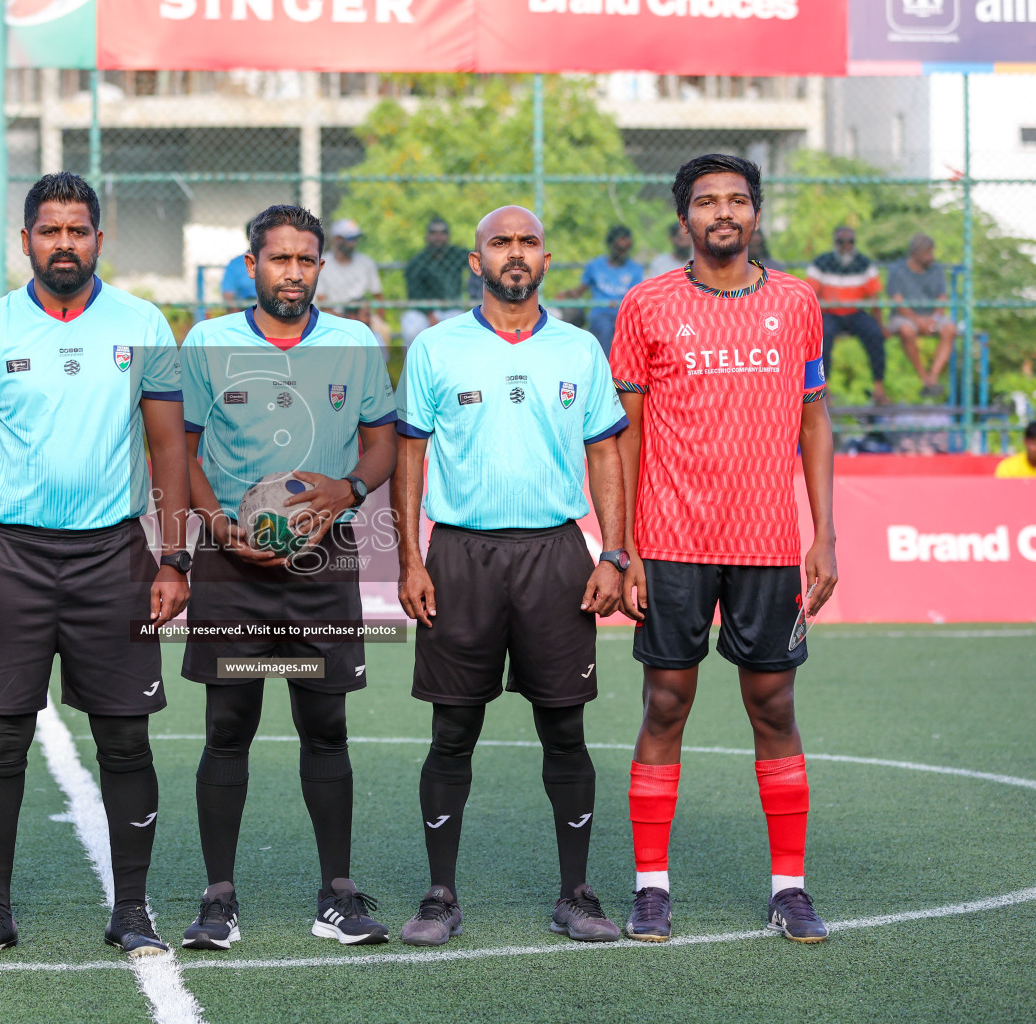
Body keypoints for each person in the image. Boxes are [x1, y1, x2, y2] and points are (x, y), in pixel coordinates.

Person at [0, 172, 191, 960]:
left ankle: (133, 909)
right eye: (49, 231)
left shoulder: (142, 321)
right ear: (25, 241)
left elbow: (167, 448)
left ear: (97, 240)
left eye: (77, 230)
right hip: (12, 558)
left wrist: (174, 556)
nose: (63, 244)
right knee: (0, 741)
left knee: (125, 740)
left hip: (114, 556)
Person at [611, 153, 838, 945]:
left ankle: (789, 887)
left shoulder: (798, 303)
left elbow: (815, 418)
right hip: (672, 539)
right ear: (685, 220)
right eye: (707, 202)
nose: (724, 213)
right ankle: (649, 888)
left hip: (770, 542)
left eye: (738, 200)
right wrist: (627, 544)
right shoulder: (645, 306)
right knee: (666, 701)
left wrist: (824, 533)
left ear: (757, 214)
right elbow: (626, 431)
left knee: (773, 706)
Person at [393, 204, 630, 948]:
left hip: (557, 555)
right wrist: (409, 557)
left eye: (528, 242)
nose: (515, 254)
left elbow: (606, 454)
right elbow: (408, 456)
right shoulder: (435, 348)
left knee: (564, 728)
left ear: (546, 260)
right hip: (459, 555)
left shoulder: (580, 350)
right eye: (501, 243)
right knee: (452, 729)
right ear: (476, 260)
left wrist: (614, 554)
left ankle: (577, 893)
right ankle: (439, 895)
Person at [178, 205, 398, 952]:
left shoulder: (355, 343)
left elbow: (381, 447)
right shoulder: (208, 343)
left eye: (307, 261)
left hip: (321, 564)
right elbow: (181, 450)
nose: (296, 274)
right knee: (229, 724)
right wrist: (217, 526)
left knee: (324, 724)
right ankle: (218, 898)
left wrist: (349, 492)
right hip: (231, 566)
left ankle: (337, 894)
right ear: (252, 265)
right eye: (281, 260)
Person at [807, 225, 887, 405]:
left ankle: (879, 388)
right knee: (822, 336)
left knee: (875, 334)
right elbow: (810, 295)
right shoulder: (821, 263)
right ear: (834, 243)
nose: (846, 246)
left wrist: (881, 325)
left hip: (855, 312)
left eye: (850, 242)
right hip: (830, 313)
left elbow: (875, 298)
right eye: (841, 242)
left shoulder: (864, 263)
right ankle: (823, 390)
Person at [887, 234, 958, 398]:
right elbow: (898, 301)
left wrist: (934, 318)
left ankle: (933, 377)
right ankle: (923, 376)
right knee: (906, 331)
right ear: (915, 254)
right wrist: (917, 320)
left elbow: (942, 298)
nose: (931, 257)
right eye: (927, 253)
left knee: (950, 329)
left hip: (932, 316)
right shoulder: (898, 270)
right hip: (905, 316)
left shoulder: (936, 269)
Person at [560, 225, 643, 357]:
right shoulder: (595, 266)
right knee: (604, 328)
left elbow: (637, 297)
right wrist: (566, 295)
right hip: (601, 313)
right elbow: (581, 290)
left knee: (625, 330)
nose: (622, 252)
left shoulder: (635, 269)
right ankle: (605, 368)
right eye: (619, 248)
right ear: (611, 245)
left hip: (623, 313)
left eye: (626, 249)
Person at [400, 218, 470, 345]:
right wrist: (430, 314)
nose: (438, 237)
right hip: (424, 311)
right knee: (411, 326)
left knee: (460, 329)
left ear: (448, 236)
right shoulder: (418, 262)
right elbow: (414, 295)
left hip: (451, 308)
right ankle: (412, 364)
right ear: (427, 236)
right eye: (433, 233)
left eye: (442, 232)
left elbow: (479, 258)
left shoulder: (456, 254)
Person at [317, 218, 384, 330]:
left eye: (355, 238)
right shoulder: (323, 264)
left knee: (381, 328)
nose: (353, 243)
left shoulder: (366, 262)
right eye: (349, 239)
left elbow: (378, 296)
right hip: (333, 316)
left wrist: (378, 318)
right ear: (336, 239)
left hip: (362, 315)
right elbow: (322, 303)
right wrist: (347, 321)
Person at [220, 221, 255, 310]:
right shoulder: (235, 264)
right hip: (245, 312)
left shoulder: (278, 261)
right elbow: (228, 295)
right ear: (248, 237)